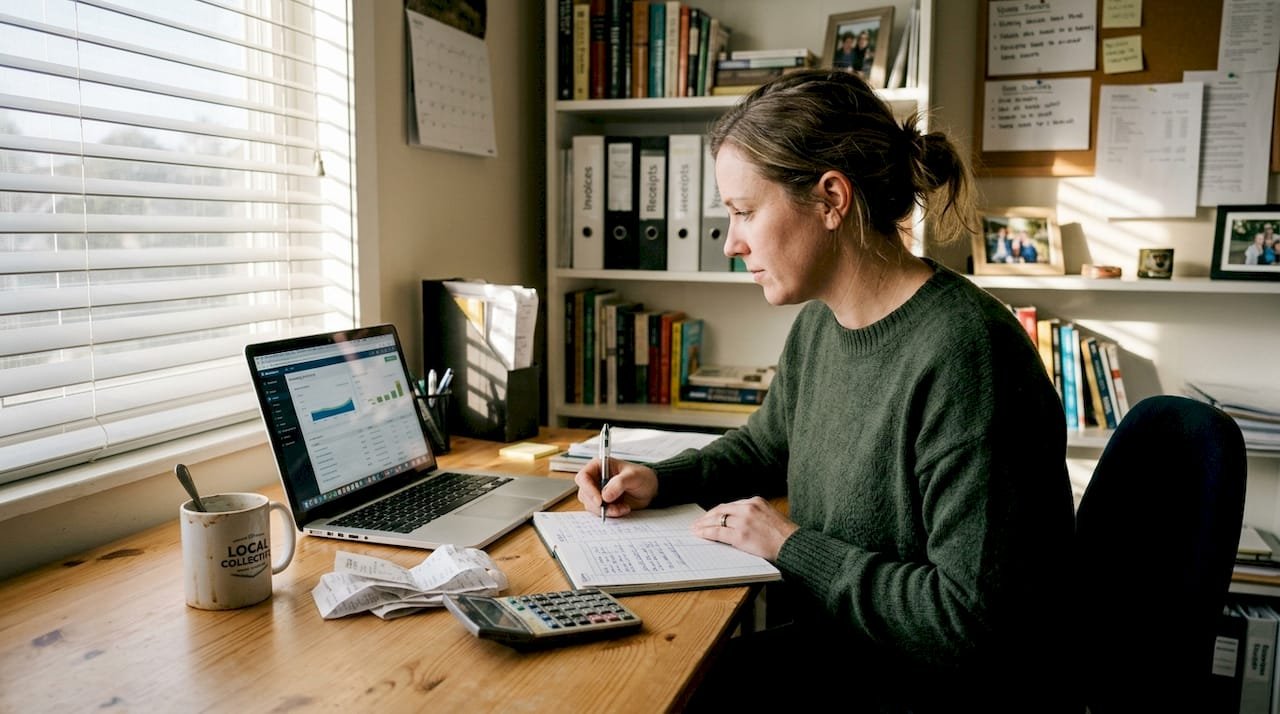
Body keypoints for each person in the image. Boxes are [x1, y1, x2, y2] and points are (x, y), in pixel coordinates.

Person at [573, 69, 1075, 712]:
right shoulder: (821, 324)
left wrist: (789, 546)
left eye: (745, 212)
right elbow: (764, 448)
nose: (732, 244)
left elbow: (968, 624)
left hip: (931, 688)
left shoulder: (966, 354)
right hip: (844, 655)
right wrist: (660, 480)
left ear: (831, 198)